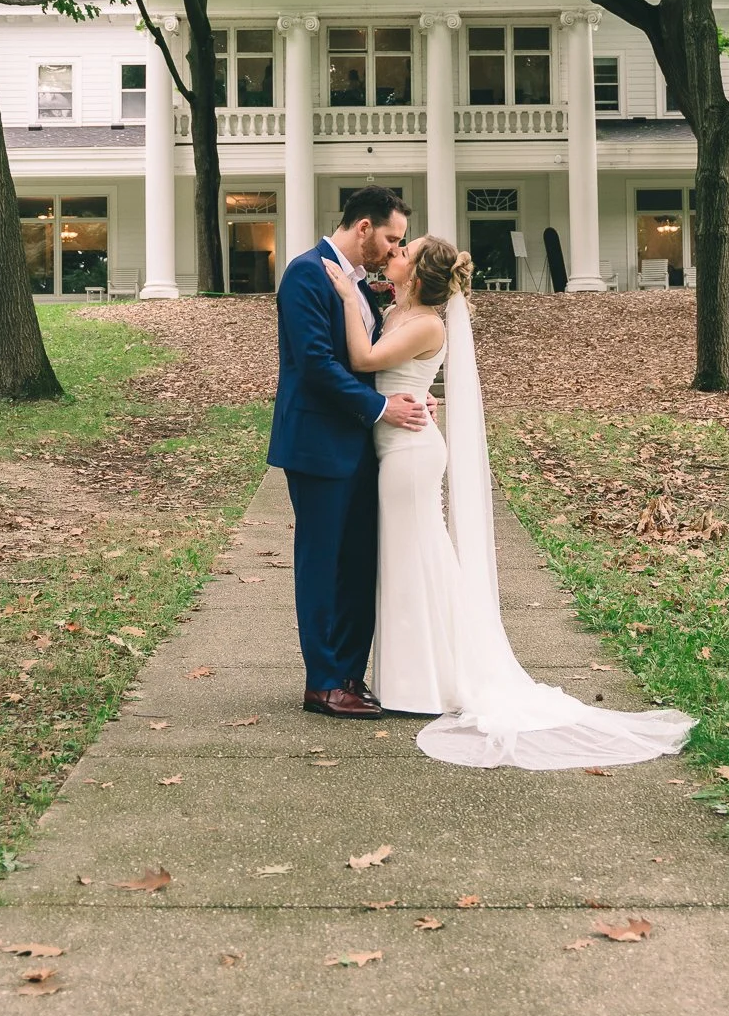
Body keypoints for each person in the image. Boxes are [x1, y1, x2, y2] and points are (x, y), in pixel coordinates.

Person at [325, 235, 697, 768]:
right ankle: (416, 678)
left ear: (421, 273)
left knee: (416, 561)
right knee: (411, 563)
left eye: (407, 251)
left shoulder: (428, 322)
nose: (396, 253)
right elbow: (399, 374)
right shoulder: (400, 310)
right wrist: (421, 391)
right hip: (396, 443)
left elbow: (363, 359)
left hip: (410, 454)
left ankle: (428, 683)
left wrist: (343, 296)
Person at [267, 187, 433, 719]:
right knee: (322, 563)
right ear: (363, 227)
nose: (392, 251)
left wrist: (414, 392)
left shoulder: (359, 287)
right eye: (390, 238)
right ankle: (322, 682)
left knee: (359, 563)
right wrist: (382, 407)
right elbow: (316, 364)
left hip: (363, 446)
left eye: (399, 243)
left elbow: (372, 360)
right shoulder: (305, 273)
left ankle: (349, 675)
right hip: (317, 444)